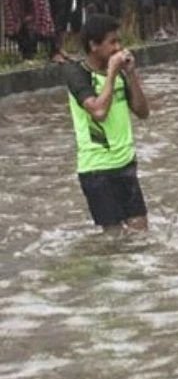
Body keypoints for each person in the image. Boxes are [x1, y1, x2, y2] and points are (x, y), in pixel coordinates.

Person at [65, 14, 151, 230]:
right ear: (93, 45)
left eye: (119, 41)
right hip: (97, 170)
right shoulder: (78, 74)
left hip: (126, 163)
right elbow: (99, 111)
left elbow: (143, 112)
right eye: (112, 42)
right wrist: (111, 74)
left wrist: (131, 75)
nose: (118, 48)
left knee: (140, 231)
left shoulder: (121, 74)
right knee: (114, 238)